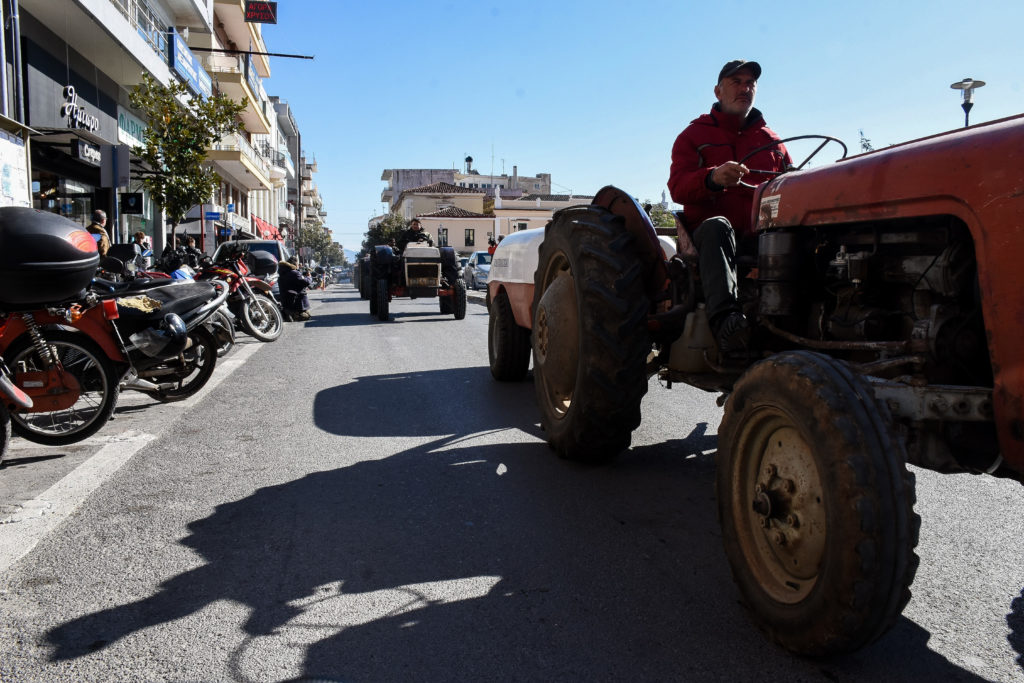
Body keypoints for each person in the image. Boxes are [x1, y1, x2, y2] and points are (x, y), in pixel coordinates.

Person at [667, 59, 792, 354]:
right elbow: (677, 187)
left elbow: (791, 183)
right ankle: (727, 323)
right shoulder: (693, 137)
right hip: (710, 239)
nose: (745, 88)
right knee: (717, 225)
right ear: (718, 91)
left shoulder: (773, 142)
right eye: (736, 82)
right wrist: (712, 178)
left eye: (750, 83)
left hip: (760, 235)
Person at [278, 257, 313, 321]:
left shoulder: (283, 273)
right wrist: (309, 277)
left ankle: (291, 314)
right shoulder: (294, 273)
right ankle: (296, 314)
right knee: (307, 317)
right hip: (296, 304)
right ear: (295, 264)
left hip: (286, 301)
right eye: (297, 263)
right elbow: (306, 282)